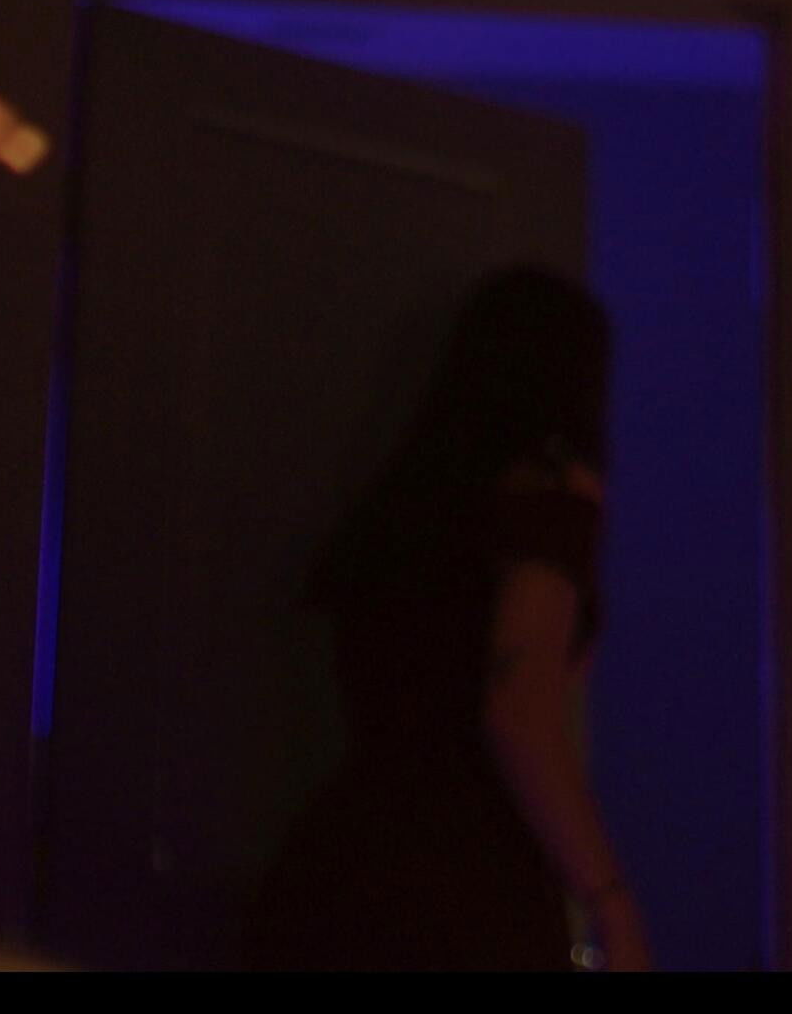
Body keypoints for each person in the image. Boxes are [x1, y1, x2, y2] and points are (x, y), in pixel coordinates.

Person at [250, 263, 652, 971]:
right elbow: (519, 708)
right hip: (463, 885)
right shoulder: (546, 505)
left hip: (340, 864)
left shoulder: (405, 511)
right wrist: (609, 901)